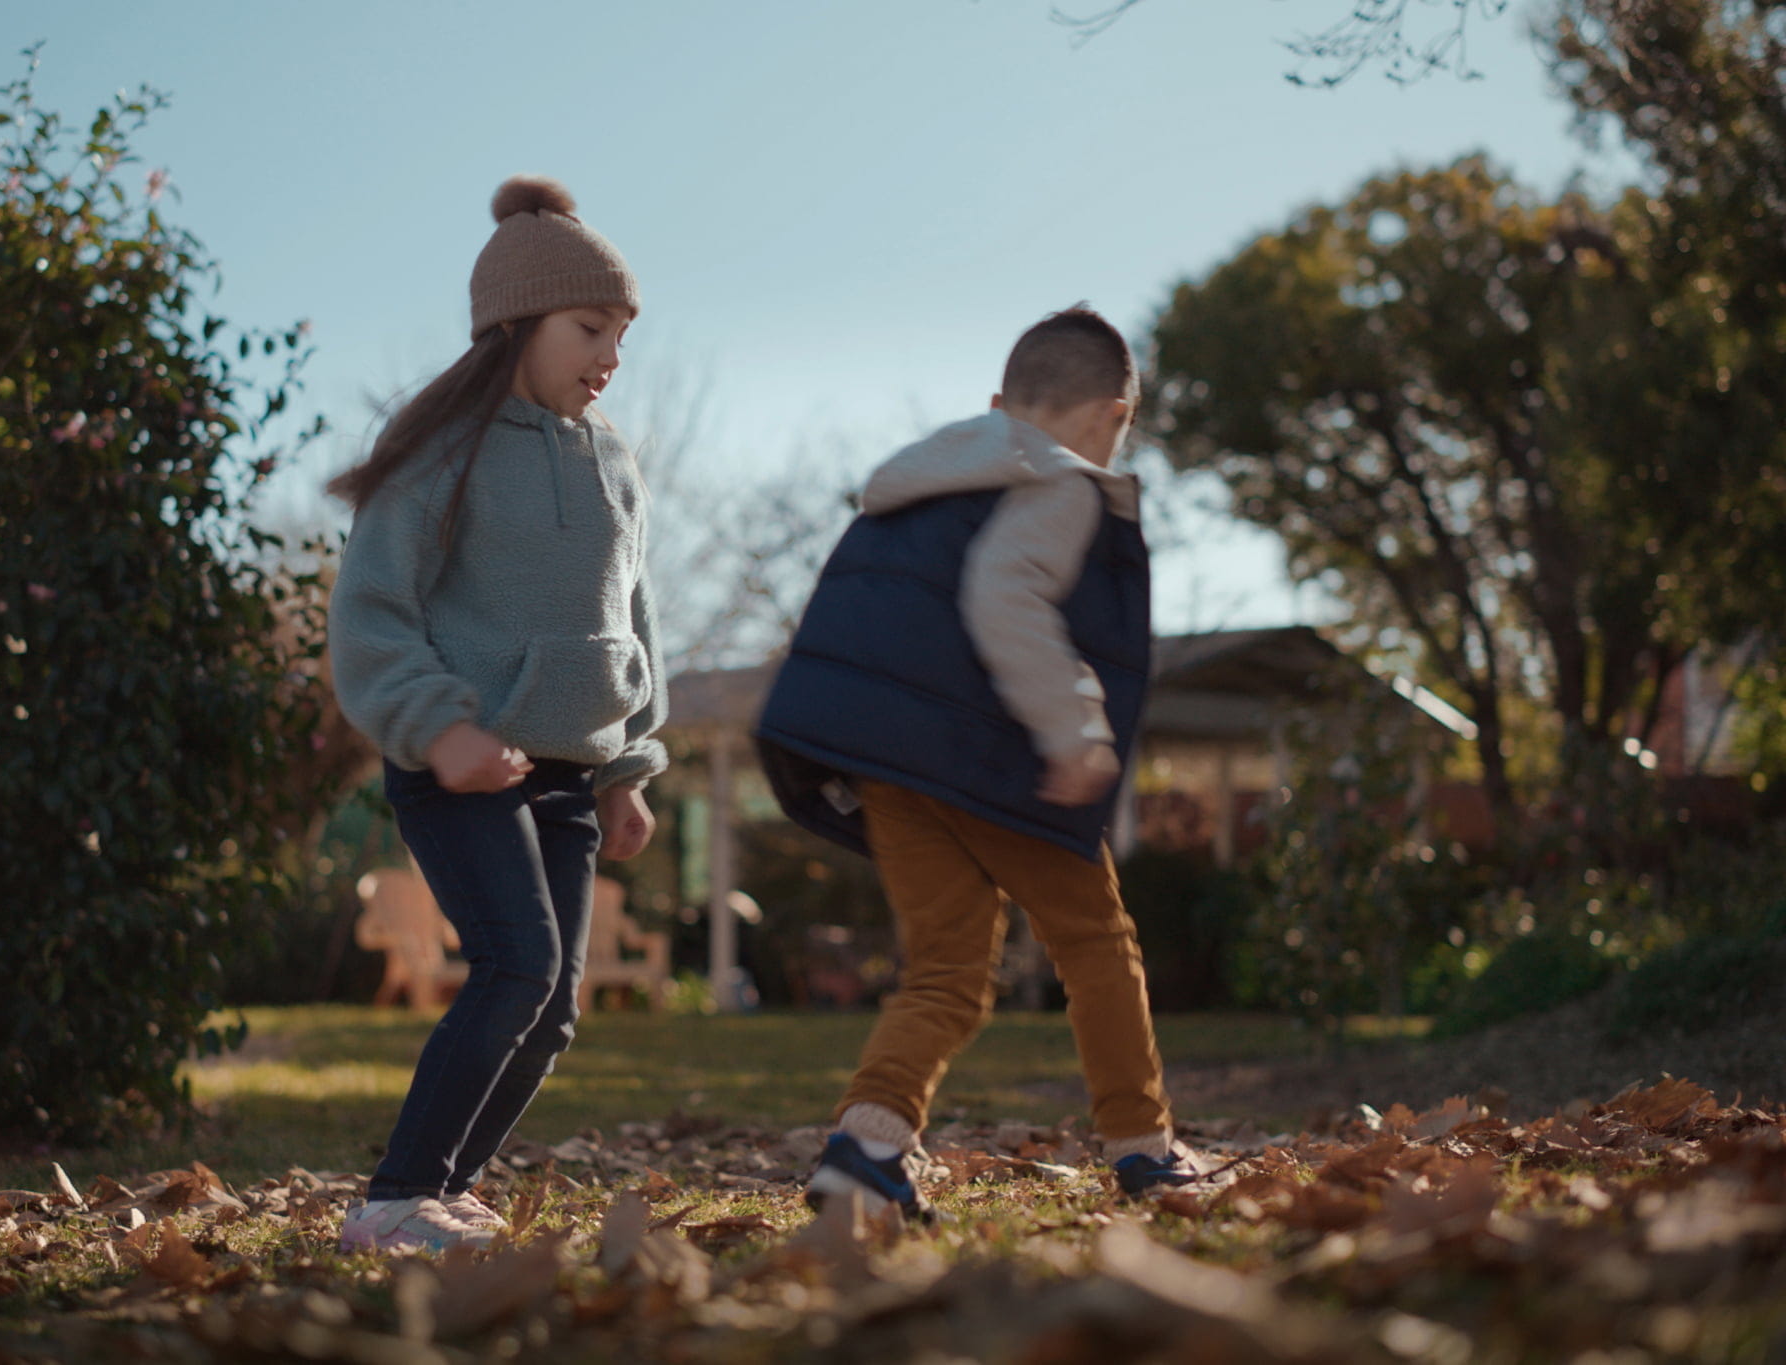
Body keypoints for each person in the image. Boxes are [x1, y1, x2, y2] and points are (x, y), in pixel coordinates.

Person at [755, 306, 1193, 1221]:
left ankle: (865, 1148)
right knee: (1095, 941)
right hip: (1000, 760)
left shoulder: (920, 484)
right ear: (1115, 416)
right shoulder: (1063, 484)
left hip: (890, 766)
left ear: (998, 404)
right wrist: (1075, 734)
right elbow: (1007, 598)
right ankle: (1144, 1145)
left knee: (946, 968)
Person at [324, 175, 666, 1252]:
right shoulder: (445, 448)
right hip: (460, 761)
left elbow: (632, 617)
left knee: (552, 1005)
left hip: (568, 766)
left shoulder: (612, 456)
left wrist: (626, 771)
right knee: (515, 966)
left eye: (620, 331)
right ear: (514, 322)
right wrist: (440, 726)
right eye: (589, 326)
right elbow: (372, 615)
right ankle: (392, 1199)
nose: (609, 351)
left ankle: (444, 1187)